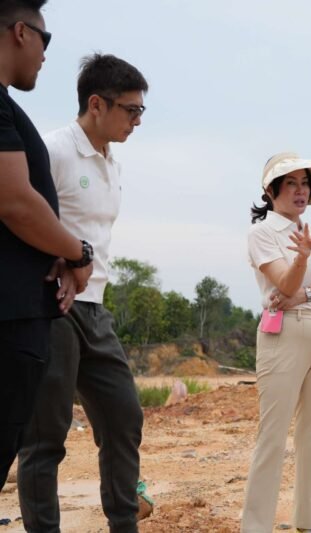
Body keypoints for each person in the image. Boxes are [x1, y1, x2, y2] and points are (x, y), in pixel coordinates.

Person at [16, 52, 149, 532]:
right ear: (97, 103)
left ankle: (123, 523)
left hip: (96, 309)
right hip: (51, 308)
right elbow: (19, 216)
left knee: (124, 418)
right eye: (131, 110)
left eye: (141, 111)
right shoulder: (52, 151)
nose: (137, 120)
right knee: (45, 437)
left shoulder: (112, 163)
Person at [0, 0, 94, 490]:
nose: (44, 53)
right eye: (45, 39)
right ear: (20, 32)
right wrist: (80, 253)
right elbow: (16, 202)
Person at [242, 152, 311, 533]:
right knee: (273, 434)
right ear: (271, 191)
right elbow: (282, 284)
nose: (300, 191)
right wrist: (301, 262)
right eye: (291, 184)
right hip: (283, 332)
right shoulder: (262, 233)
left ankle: (309, 520)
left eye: (305, 184)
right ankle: (256, 526)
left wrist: (306, 292)